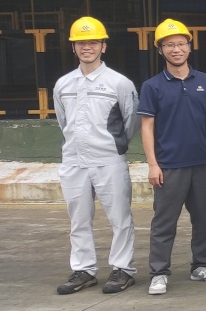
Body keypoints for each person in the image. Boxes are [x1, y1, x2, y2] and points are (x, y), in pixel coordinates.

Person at [137, 18, 206, 295]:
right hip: (169, 166)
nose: (176, 49)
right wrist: (153, 164)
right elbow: (147, 126)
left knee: (202, 218)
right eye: (169, 45)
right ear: (160, 50)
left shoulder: (205, 81)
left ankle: (202, 265)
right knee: (164, 222)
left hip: (201, 163)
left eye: (180, 44)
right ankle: (159, 272)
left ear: (189, 46)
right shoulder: (152, 86)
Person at [53, 17, 140, 295]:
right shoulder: (63, 84)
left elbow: (131, 122)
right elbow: (63, 122)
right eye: (80, 43)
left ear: (104, 46)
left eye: (93, 42)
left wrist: (112, 146)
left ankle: (123, 268)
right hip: (73, 161)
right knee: (78, 220)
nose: (86, 47)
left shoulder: (120, 83)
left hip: (109, 160)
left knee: (120, 218)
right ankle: (84, 270)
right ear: (73, 47)